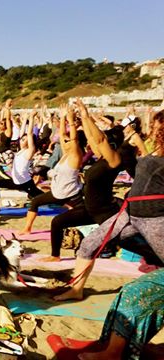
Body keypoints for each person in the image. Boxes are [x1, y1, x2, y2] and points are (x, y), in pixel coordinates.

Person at [54, 110, 164, 303]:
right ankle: (76, 289)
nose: (152, 130)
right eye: (153, 126)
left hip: (153, 216)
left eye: (156, 127)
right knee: (88, 244)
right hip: (129, 211)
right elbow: (98, 139)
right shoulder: (154, 149)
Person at [42, 99, 138, 262]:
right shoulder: (101, 157)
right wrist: (77, 119)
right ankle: (55, 256)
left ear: (111, 144)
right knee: (58, 222)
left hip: (104, 211)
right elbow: (93, 138)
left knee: (126, 242)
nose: (98, 144)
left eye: (105, 142)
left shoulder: (114, 161)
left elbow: (99, 139)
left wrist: (86, 115)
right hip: (89, 209)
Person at [19, 104, 83, 235]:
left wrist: (71, 121)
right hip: (57, 193)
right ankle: (27, 228)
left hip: (71, 194)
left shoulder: (76, 156)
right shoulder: (66, 153)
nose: (64, 141)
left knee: (86, 214)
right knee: (35, 201)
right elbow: (62, 134)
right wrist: (63, 116)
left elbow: (74, 139)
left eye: (67, 141)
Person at [0, 111, 43, 211]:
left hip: (25, 182)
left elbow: (30, 133)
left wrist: (31, 118)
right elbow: (22, 132)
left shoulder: (29, 151)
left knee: (42, 197)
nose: (22, 140)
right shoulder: (20, 150)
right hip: (16, 181)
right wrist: (24, 120)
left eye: (24, 139)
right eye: (22, 139)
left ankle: (64, 202)